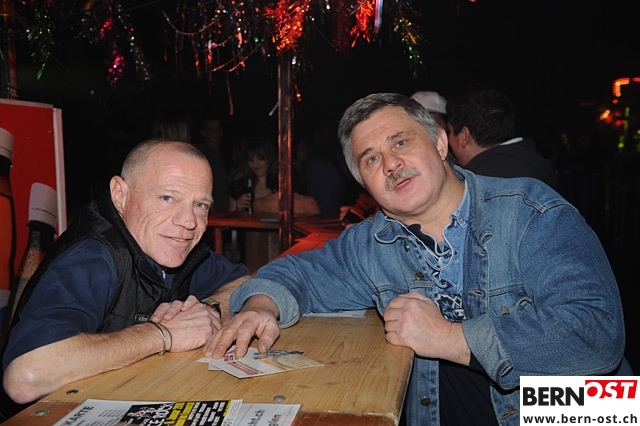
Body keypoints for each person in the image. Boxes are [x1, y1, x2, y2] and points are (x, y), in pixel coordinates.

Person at [204, 93, 632, 426]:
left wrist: (449, 338)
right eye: (371, 159)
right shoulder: (372, 243)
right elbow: (298, 272)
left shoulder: (529, 211)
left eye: (401, 141)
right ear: (365, 183)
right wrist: (261, 304)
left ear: (441, 142)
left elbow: (596, 335)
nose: (391, 164)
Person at [1, 140, 251, 417]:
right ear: (120, 195)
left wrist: (208, 309)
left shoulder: (174, 246)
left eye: (200, 205)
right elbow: (25, 378)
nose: (189, 221)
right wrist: (164, 334)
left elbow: (243, 282)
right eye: (167, 198)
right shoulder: (92, 257)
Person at [227, 135, 320, 271]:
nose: (255, 164)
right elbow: (226, 224)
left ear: (269, 159)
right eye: (251, 160)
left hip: (281, 249)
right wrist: (237, 208)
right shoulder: (241, 185)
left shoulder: (281, 185)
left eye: (260, 159)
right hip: (251, 247)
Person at [445, 84, 558, 188]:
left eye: (449, 132)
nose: (448, 140)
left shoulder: (483, 181)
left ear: (464, 136)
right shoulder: (534, 161)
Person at [194, 114, 230, 212]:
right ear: (203, 133)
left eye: (219, 128)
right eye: (211, 129)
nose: (217, 132)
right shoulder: (204, 155)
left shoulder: (220, 154)